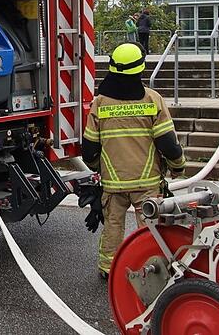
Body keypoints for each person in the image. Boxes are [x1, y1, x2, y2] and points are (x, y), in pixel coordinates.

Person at [80, 43, 185, 279]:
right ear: (140, 68)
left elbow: (88, 150)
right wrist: (178, 166)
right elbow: (168, 143)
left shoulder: (100, 103)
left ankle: (109, 270)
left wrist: (101, 168)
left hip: (113, 183)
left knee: (113, 227)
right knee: (149, 230)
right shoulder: (152, 100)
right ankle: (153, 271)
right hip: (146, 183)